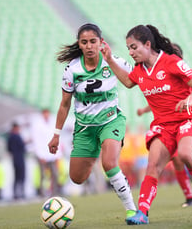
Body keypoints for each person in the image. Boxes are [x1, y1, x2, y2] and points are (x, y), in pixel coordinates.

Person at [101, 24, 192, 225]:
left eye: (134, 47)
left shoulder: (171, 62)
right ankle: (142, 212)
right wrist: (108, 59)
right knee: (153, 166)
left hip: (188, 118)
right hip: (163, 125)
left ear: (148, 44)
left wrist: (190, 99)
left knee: (185, 154)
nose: (131, 52)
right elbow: (127, 81)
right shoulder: (140, 71)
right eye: (129, 49)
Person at [48, 23, 137, 222]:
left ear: (101, 42)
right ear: (79, 44)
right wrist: (56, 134)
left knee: (109, 163)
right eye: (84, 42)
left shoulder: (114, 62)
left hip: (111, 120)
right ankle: (96, 147)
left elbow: (132, 82)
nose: (89, 46)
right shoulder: (72, 69)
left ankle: (132, 210)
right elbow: (64, 104)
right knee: (77, 178)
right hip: (85, 128)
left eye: (93, 42)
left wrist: (111, 60)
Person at [137, 43, 192, 207]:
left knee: (186, 155)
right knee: (176, 160)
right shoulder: (166, 73)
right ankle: (189, 197)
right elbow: (161, 99)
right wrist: (144, 110)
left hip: (187, 120)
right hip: (169, 124)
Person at [30, 109, 61, 196]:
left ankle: (54, 193)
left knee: (54, 174)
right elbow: (36, 141)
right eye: (45, 113)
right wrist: (40, 155)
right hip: (42, 154)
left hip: (52, 154)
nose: (47, 115)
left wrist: (58, 154)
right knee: (42, 175)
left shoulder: (53, 123)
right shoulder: (37, 125)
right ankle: (42, 193)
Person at [7, 122, 26, 200]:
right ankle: (20, 193)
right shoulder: (16, 136)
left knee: (16, 176)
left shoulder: (10, 137)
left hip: (15, 158)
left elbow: (9, 149)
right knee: (21, 176)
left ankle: (16, 193)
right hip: (19, 158)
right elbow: (22, 146)